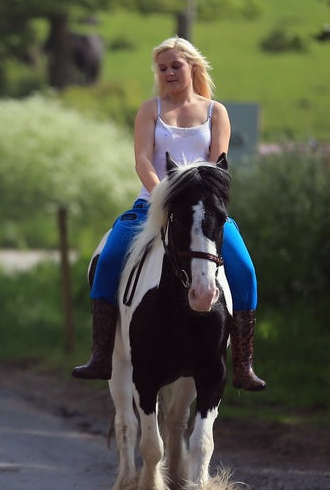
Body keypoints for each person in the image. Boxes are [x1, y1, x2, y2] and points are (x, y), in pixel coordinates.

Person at [71, 36, 266, 390]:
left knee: (246, 270)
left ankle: (243, 362)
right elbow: (143, 159)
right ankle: (101, 355)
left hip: (202, 209)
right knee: (110, 258)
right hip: (151, 203)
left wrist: (192, 198)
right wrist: (163, 194)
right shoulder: (151, 110)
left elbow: (217, 165)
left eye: (176, 65)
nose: (169, 73)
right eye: (163, 68)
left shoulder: (215, 112)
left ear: (193, 66)